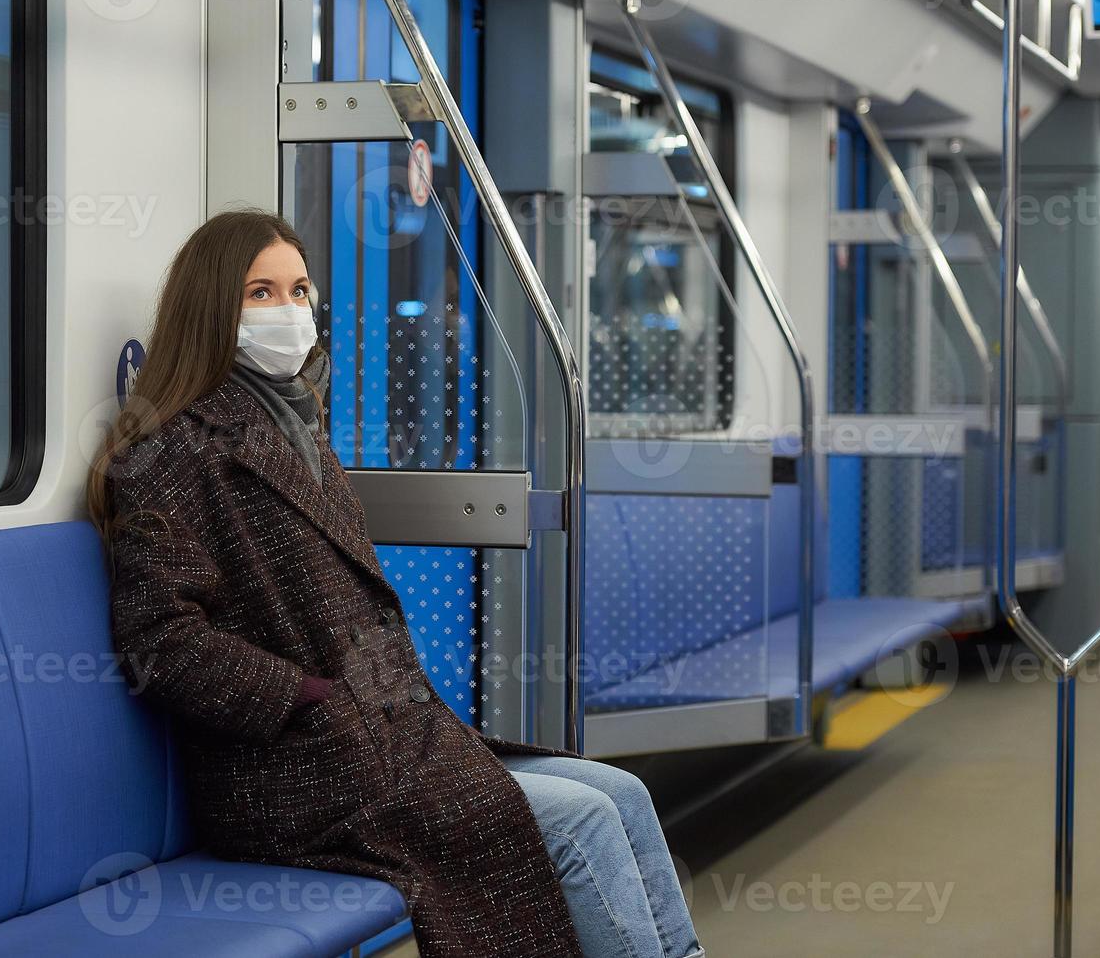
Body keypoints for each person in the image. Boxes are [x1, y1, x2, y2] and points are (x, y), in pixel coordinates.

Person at [86, 209, 703, 958]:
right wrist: (309, 698)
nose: (288, 311)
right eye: (260, 293)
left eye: (298, 289)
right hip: (294, 772)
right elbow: (163, 644)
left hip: (380, 742)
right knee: (581, 821)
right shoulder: (173, 451)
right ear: (212, 308)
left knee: (624, 795)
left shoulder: (297, 428)